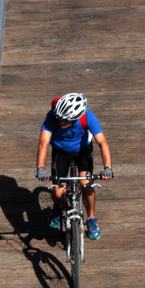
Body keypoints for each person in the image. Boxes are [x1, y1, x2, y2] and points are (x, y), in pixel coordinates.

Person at [36, 92, 113, 240]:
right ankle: (58, 208)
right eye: (60, 119)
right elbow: (43, 144)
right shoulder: (53, 116)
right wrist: (40, 169)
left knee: (86, 184)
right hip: (61, 152)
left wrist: (107, 168)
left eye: (66, 121)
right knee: (58, 192)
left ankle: (91, 218)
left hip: (83, 151)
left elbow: (102, 142)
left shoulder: (87, 116)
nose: (61, 123)